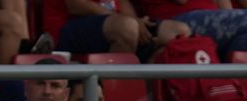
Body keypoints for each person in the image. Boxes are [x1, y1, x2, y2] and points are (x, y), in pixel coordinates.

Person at [135, 0, 247, 59]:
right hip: (175, 20)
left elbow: (225, 8)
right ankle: (225, 77)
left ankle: (221, 70)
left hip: (209, 17)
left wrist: (232, 24)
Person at [42, 0, 190, 59]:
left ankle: (144, 97)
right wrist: (130, 22)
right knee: (127, 28)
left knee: (177, 31)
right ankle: (116, 94)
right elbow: (76, 5)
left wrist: (137, 22)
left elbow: (123, 5)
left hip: (113, 26)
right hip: (66, 30)